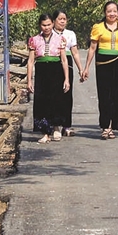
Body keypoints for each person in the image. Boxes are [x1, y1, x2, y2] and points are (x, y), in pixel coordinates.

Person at [26, 13, 71, 141]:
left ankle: (56, 127)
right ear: (40, 25)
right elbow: (30, 61)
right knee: (42, 101)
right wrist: (29, 80)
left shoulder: (60, 39)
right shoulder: (34, 40)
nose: (46, 28)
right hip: (41, 71)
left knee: (56, 99)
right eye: (43, 25)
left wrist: (66, 79)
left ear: (53, 24)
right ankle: (45, 132)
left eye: (49, 25)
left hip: (55, 70)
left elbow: (64, 60)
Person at [86, 2, 118, 139]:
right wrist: (86, 67)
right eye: (109, 11)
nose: (112, 14)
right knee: (105, 96)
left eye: (115, 11)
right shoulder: (98, 28)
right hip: (103, 63)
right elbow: (92, 48)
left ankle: (113, 125)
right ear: (105, 13)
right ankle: (105, 127)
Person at [54, 10, 83, 137]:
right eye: (60, 19)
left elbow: (75, 52)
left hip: (68, 63)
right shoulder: (48, 33)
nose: (62, 21)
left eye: (64, 19)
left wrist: (81, 69)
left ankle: (66, 126)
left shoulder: (70, 34)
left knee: (66, 94)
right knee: (54, 95)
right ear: (54, 20)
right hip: (54, 63)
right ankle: (55, 125)